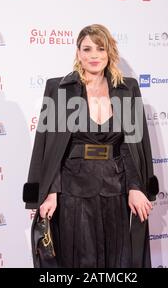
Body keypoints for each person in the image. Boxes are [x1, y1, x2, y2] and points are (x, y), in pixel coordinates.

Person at [23, 24, 159, 268]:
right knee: (76, 258)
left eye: (100, 48)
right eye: (87, 49)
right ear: (78, 52)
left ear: (109, 53)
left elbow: (134, 143)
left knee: (117, 258)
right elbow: (49, 146)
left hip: (115, 189)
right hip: (73, 191)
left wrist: (137, 187)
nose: (94, 55)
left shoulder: (127, 89)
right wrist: (49, 192)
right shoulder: (60, 89)